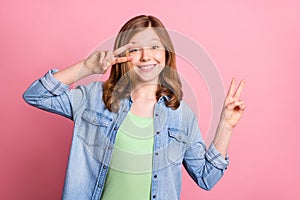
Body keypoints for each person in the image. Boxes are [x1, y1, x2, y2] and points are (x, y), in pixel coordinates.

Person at [23, 15, 245, 200]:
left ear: (166, 54)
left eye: (154, 47)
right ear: (122, 55)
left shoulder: (182, 115)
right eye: (135, 49)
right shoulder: (93, 97)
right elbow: (36, 95)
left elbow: (207, 178)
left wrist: (226, 126)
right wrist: (87, 67)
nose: (146, 56)